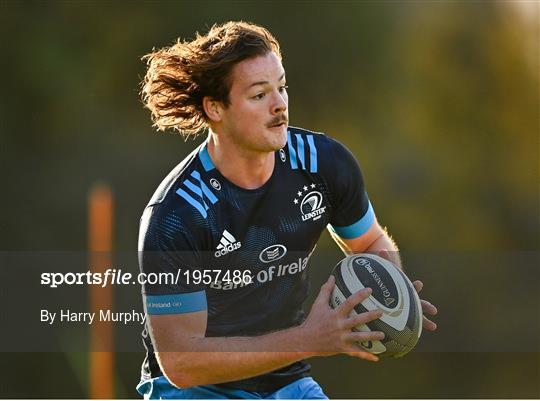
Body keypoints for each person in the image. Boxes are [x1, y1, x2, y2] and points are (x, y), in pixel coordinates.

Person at [136, 21, 437, 399]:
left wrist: (391, 294)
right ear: (215, 108)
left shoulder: (324, 165)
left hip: (287, 382)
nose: (279, 104)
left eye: (281, 87)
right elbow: (182, 364)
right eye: (259, 94)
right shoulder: (177, 214)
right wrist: (309, 339)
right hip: (197, 390)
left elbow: (371, 241)